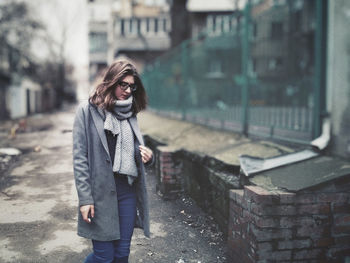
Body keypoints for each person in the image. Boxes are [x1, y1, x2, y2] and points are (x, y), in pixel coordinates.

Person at [72, 60, 153, 263]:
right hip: (99, 197)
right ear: (111, 81)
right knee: (103, 257)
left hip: (126, 193)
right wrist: (85, 199)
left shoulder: (130, 113)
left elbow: (133, 152)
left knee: (121, 255)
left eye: (131, 86)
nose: (127, 90)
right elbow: (80, 158)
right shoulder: (87, 111)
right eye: (122, 84)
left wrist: (147, 157)